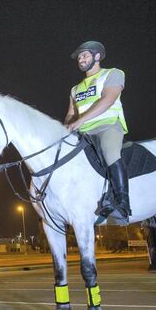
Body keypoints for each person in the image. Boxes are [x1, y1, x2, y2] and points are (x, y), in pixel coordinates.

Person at [64, 41, 130, 223]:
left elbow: (108, 100)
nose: (81, 59)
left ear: (97, 56)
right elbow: (70, 114)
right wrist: (64, 130)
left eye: (84, 55)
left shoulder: (113, 74)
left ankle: (123, 204)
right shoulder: (75, 89)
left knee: (110, 153)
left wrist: (79, 121)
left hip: (107, 126)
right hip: (83, 132)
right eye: (79, 57)